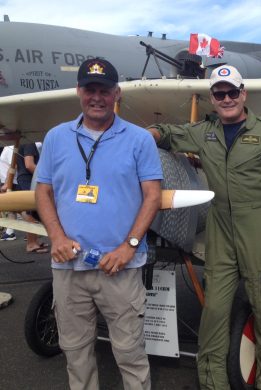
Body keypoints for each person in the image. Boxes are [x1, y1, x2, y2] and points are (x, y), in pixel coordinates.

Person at [147, 65, 261, 390]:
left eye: (232, 92)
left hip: (260, 226)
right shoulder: (205, 131)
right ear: (213, 99)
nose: (227, 98)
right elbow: (170, 134)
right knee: (214, 311)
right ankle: (213, 383)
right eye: (220, 93)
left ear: (243, 94)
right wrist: (142, 136)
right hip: (220, 228)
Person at [35, 58, 163, 390]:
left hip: (120, 266)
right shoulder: (56, 138)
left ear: (116, 93)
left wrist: (128, 246)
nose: (97, 97)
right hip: (68, 266)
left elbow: (152, 196)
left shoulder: (139, 139)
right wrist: (57, 237)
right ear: (79, 91)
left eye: (104, 90)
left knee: (130, 353)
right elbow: (43, 191)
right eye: (90, 89)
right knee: (75, 353)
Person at [16, 142, 49, 253]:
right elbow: (29, 165)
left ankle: (33, 241)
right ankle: (31, 243)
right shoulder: (30, 143)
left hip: (25, 177)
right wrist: (46, 176)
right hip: (28, 178)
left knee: (31, 210)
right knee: (30, 210)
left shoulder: (28, 143)